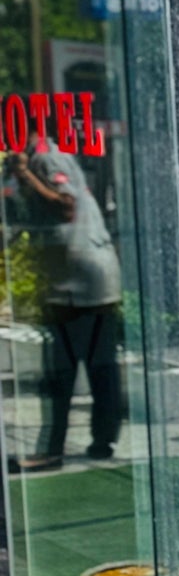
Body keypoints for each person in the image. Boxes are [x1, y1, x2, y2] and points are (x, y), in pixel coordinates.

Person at [5, 139, 123, 474]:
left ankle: (51, 450)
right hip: (91, 273)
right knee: (99, 366)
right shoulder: (49, 155)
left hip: (77, 280)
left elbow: (66, 205)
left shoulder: (44, 157)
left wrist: (25, 174)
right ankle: (102, 442)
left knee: (61, 371)